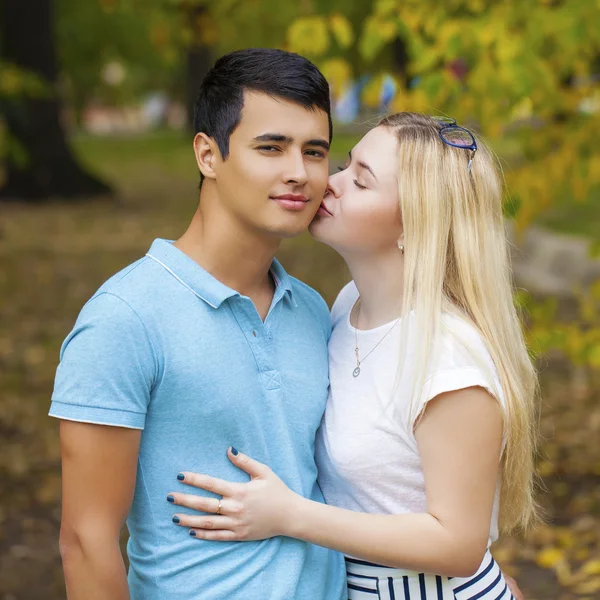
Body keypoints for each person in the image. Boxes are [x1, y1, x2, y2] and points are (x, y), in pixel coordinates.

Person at [168, 113, 538, 599]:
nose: (328, 183)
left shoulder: (449, 360)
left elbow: (459, 545)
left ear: (416, 223)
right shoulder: (347, 307)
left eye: (360, 181)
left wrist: (291, 515)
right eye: (345, 165)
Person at [49, 48, 348, 600]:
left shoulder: (312, 309)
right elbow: (87, 542)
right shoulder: (125, 318)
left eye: (314, 151)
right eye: (271, 147)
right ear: (208, 155)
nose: (298, 173)